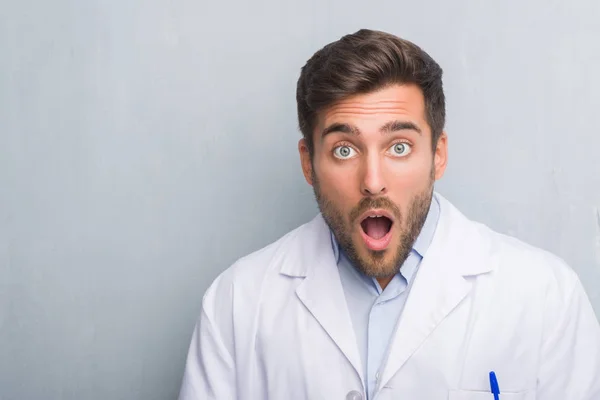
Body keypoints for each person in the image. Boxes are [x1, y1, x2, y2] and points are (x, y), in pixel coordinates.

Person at [178, 29, 600, 400]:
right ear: (308, 163)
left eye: (399, 146)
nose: (373, 181)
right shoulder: (237, 302)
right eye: (344, 149)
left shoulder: (545, 298)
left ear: (438, 155)